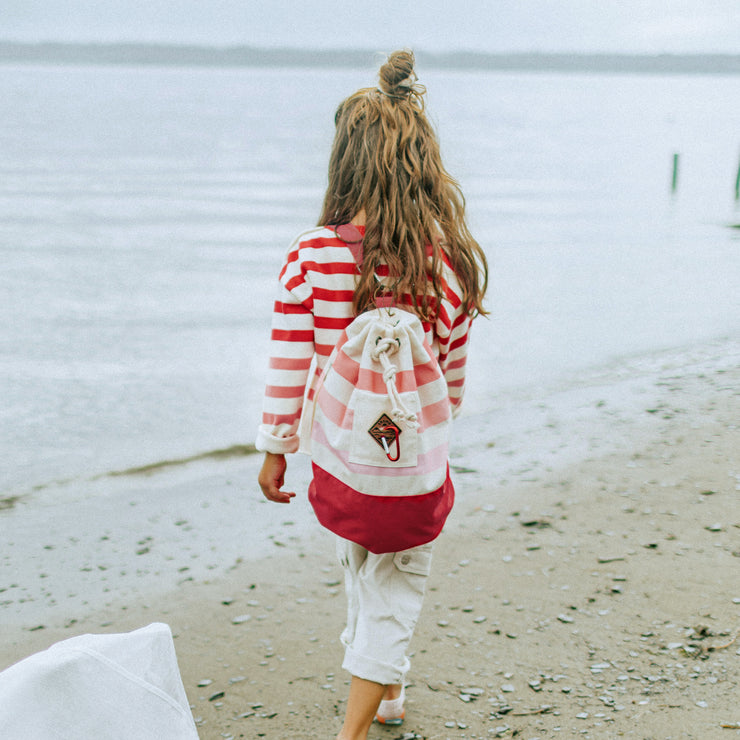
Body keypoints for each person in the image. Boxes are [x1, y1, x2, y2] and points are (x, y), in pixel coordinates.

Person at [256, 49, 488, 740]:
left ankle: (359, 722)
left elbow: (288, 362)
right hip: (413, 462)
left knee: (360, 564)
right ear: (423, 164)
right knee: (395, 581)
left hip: (339, 456)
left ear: (345, 162)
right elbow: (451, 379)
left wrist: (275, 448)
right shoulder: (449, 260)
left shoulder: (312, 254)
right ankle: (383, 695)